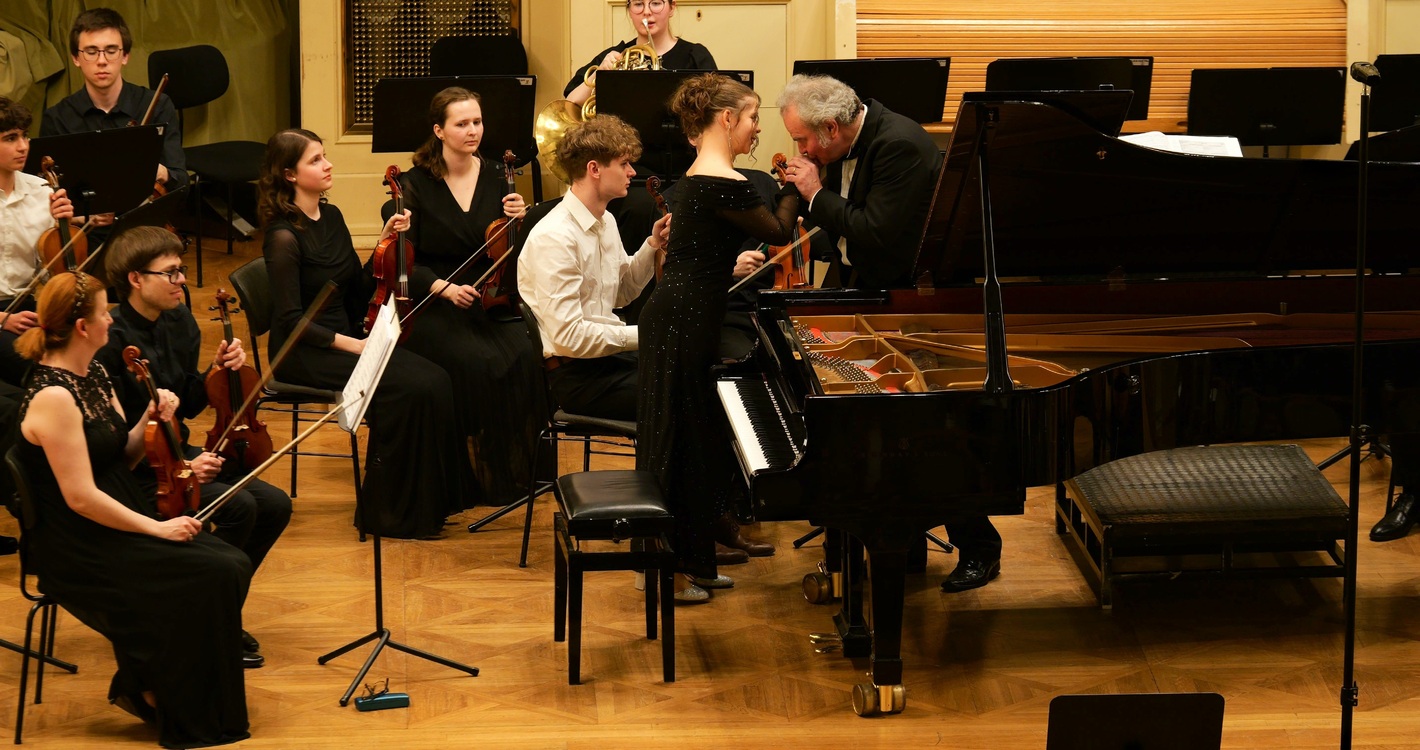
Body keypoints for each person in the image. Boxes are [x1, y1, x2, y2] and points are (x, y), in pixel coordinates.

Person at [777, 75, 998, 592]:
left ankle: (980, 546)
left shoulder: (900, 144)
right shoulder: (848, 143)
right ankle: (892, 544)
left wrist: (814, 193)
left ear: (831, 128)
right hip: (867, 291)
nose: (802, 151)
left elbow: (875, 230)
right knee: (880, 436)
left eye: (803, 140)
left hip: (911, 303)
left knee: (934, 432)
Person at [14, 271, 250, 748]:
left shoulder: (95, 374)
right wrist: (157, 529)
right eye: (105, 313)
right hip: (76, 540)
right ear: (83, 327)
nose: (112, 320)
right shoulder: (53, 397)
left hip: (113, 511)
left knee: (230, 562)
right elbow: (79, 496)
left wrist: (149, 419)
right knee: (211, 571)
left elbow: (119, 457)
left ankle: (156, 684)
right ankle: (162, 694)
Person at [90, 226, 291, 668]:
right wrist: (184, 466)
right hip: (137, 469)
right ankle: (200, 618)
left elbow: (190, 401)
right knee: (241, 508)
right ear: (136, 279)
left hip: (177, 454)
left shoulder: (179, 320)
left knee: (275, 504)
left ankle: (215, 610)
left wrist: (217, 372)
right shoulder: (110, 340)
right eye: (171, 272)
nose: (182, 280)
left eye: (180, 270)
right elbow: (112, 442)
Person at [258, 128, 472, 539]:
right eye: (315, 160)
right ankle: (390, 514)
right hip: (305, 352)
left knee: (436, 378)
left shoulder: (332, 216)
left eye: (325, 155)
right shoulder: (283, 238)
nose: (328, 164)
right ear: (289, 174)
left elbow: (354, 286)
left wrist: (384, 244)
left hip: (347, 338)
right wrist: (354, 345)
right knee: (410, 388)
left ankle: (430, 506)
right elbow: (289, 322)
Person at [638, 73, 800, 601]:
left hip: (683, 314)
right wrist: (796, 186)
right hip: (683, 319)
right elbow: (778, 232)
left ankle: (695, 560)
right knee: (679, 441)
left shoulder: (699, 175)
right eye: (752, 117)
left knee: (697, 440)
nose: (757, 128)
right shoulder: (721, 180)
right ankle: (667, 572)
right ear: (727, 119)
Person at [395, 86, 546, 507]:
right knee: (478, 362)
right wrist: (443, 288)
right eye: (461, 124)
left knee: (525, 352)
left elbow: (513, 250)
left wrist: (520, 221)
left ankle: (510, 469)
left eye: (477, 121)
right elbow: (404, 260)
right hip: (434, 300)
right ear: (439, 131)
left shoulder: (499, 175)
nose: (473, 130)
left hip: (490, 297)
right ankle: (471, 476)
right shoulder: (412, 185)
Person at [563, 0, 717, 321]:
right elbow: (569, 102)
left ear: (671, 8)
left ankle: (683, 311)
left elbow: (714, 111)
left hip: (685, 166)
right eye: (637, 5)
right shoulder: (616, 56)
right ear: (629, 10)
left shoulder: (695, 56)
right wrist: (601, 75)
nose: (647, 12)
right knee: (638, 208)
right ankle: (636, 314)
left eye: (656, 3)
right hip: (631, 171)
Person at [517, 115, 669, 423]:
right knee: (682, 398)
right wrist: (648, 334)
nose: (632, 172)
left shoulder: (605, 220)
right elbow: (570, 338)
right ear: (594, 169)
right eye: (624, 164)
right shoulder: (555, 237)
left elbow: (622, 292)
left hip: (607, 361)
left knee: (694, 378)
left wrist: (653, 244)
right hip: (578, 378)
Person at [41, 7, 187, 232]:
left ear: (125, 56)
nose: (102, 61)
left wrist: (161, 172)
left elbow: (181, 180)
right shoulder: (57, 118)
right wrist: (81, 218)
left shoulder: (157, 105)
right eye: (91, 51)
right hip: (86, 231)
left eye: (111, 50)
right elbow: (45, 195)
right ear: (76, 58)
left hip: (142, 225)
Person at [0, 96, 46, 387]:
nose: (23, 146)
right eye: (10, 138)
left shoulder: (42, 191)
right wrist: (2, 319)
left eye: (25, 136)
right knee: (35, 365)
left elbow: (54, 273)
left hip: (26, 307)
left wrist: (65, 228)